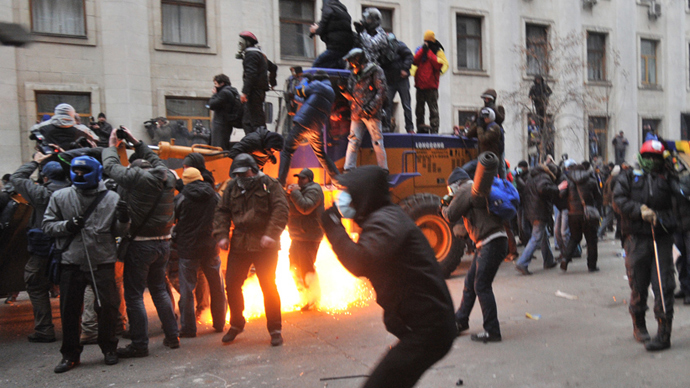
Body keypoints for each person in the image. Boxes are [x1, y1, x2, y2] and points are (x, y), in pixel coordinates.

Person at [320, 166, 456, 387]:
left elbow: (360, 261)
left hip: (430, 330)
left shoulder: (387, 221)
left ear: (363, 193)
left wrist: (334, 227)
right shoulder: (383, 217)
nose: (342, 197)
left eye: (348, 191)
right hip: (426, 327)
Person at [43, 156, 127, 372]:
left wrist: (124, 219)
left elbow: (118, 232)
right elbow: (48, 226)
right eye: (76, 171)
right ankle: (70, 354)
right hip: (70, 261)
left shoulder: (111, 198)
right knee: (69, 311)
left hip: (102, 260)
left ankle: (109, 348)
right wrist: (67, 226)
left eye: (83, 171)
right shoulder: (60, 197)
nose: (79, 175)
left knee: (107, 307)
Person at [101, 127, 180, 358]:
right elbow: (156, 158)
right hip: (163, 243)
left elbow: (110, 167)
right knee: (159, 290)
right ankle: (172, 336)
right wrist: (137, 142)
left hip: (140, 245)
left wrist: (112, 145)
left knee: (134, 295)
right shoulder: (168, 177)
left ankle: (139, 344)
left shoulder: (136, 179)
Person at [213, 154, 288, 346]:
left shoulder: (271, 185)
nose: (240, 177)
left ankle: (275, 329)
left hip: (265, 245)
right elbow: (222, 211)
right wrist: (221, 235)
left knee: (268, 286)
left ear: (254, 169)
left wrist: (270, 235)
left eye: (243, 173)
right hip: (240, 243)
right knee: (231, 284)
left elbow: (281, 210)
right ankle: (237, 324)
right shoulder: (232, 187)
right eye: (237, 174)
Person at [613, 140, 676, 351]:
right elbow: (618, 200)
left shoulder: (669, 177)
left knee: (664, 286)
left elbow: (679, 209)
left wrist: (660, 218)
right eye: (647, 156)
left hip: (661, 239)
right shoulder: (629, 176)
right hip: (636, 238)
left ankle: (664, 333)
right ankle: (639, 324)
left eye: (656, 157)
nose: (651, 161)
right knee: (638, 285)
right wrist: (638, 209)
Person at [442, 166, 507, 343]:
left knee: (482, 285)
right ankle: (461, 321)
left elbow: (451, 215)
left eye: (450, 189)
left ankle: (492, 331)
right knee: (470, 282)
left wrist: (444, 205)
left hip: (490, 242)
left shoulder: (464, 189)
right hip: (491, 241)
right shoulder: (475, 188)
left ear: (455, 185)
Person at [10, 154, 70, 343]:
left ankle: (44, 329)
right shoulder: (74, 190)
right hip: (69, 246)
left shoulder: (41, 194)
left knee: (35, 283)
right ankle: (78, 327)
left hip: (44, 248)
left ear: (45, 178)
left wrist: (35, 161)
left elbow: (16, 178)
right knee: (72, 285)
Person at [174, 168, 227, 337]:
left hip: (188, 250)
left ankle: (189, 328)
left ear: (185, 181)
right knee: (217, 287)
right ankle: (219, 324)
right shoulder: (214, 195)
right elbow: (221, 216)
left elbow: (173, 220)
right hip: (210, 248)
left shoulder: (181, 198)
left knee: (187, 290)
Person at [278, 70, 340, 186]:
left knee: (287, 151)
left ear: (317, 79)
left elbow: (299, 91)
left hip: (303, 123)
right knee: (321, 155)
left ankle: (280, 182)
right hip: (316, 128)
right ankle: (338, 181)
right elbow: (305, 100)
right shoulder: (330, 92)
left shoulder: (316, 85)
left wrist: (305, 79)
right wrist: (294, 98)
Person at [340, 48, 388, 171]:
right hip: (357, 113)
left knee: (377, 141)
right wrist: (343, 90)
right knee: (353, 141)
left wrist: (371, 107)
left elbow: (381, 91)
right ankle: (349, 168)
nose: (350, 64)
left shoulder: (375, 70)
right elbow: (351, 96)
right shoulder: (354, 74)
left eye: (351, 61)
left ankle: (383, 169)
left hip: (371, 114)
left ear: (357, 60)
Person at [286, 168, 324, 310]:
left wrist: (294, 194)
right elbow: (291, 208)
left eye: (303, 178)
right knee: (294, 267)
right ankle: (304, 298)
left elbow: (305, 208)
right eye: (298, 178)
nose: (299, 181)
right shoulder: (300, 192)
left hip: (309, 236)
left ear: (309, 179)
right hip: (298, 236)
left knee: (306, 268)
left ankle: (313, 300)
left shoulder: (314, 190)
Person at [514, 162, 560, 275]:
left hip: (532, 211)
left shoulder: (531, 177)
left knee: (543, 236)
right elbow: (542, 189)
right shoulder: (543, 177)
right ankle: (522, 262)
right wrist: (557, 188)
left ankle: (548, 260)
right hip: (539, 211)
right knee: (536, 237)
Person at [559, 163, 602, 272]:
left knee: (574, 238)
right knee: (591, 240)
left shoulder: (568, 182)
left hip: (573, 214)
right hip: (588, 214)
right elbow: (598, 197)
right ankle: (592, 265)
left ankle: (565, 258)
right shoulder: (591, 181)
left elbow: (561, 195)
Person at [237, 31, 277, 134]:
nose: (239, 45)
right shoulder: (259, 55)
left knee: (253, 121)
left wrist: (245, 92)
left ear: (247, 43)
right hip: (258, 91)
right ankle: (257, 142)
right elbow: (273, 68)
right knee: (254, 118)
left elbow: (251, 74)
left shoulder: (251, 54)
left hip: (254, 91)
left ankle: (257, 143)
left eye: (241, 42)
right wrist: (272, 83)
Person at [411, 30, 449, 134]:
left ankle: (434, 131)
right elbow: (414, 61)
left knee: (433, 111)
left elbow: (438, 65)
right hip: (420, 86)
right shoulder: (421, 50)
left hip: (431, 87)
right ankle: (420, 129)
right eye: (425, 41)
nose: (426, 43)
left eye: (427, 41)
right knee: (419, 110)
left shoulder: (437, 51)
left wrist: (428, 52)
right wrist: (422, 51)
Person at [382, 33, 414, 133]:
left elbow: (409, 56)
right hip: (390, 81)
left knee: (406, 104)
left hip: (401, 80)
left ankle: (409, 127)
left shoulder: (400, 46)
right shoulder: (383, 49)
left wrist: (405, 69)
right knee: (387, 104)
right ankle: (386, 126)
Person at [309, 0, 353, 69]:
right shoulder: (340, 7)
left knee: (316, 66)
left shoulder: (328, 3)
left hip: (335, 46)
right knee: (338, 70)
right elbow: (333, 23)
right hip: (345, 48)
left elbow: (326, 17)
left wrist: (317, 30)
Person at [465, 107, 505, 178]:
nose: (484, 119)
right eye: (483, 117)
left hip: (491, 160)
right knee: (465, 170)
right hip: (481, 159)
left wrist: (480, 127)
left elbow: (483, 139)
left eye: (486, 117)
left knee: (491, 181)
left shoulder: (495, 128)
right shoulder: (484, 127)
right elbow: (468, 135)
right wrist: (476, 124)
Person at [208, 74, 242, 150]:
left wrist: (215, 94)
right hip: (225, 124)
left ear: (222, 83)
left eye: (216, 84)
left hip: (220, 125)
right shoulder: (232, 92)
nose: (215, 87)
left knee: (218, 147)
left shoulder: (224, 93)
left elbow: (212, 105)